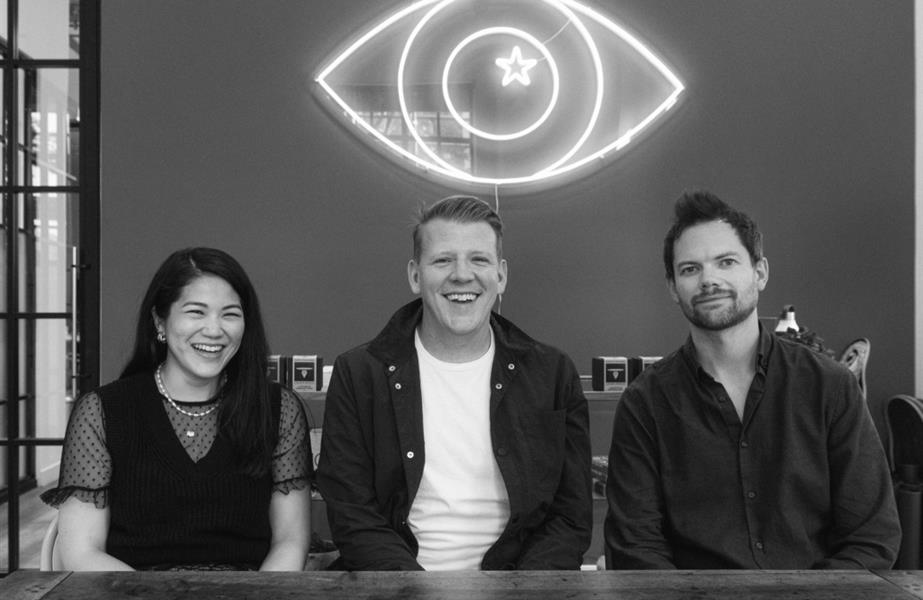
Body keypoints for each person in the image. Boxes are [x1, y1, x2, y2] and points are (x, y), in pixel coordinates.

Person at [604, 191, 900, 569]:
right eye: (690, 269)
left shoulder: (830, 387)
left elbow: (871, 538)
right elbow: (635, 549)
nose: (709, 279)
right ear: (672, 288)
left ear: (759, 273)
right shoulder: (645, 404)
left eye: (726, 262)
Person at [316, 195, 592, 571]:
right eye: (443, 260)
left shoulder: (553, 374)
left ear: (502, 275)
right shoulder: (360, 374)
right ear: (415, 275)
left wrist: (520, 594)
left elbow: (569, 518)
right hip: (394, 591)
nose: (462, 275)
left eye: (479, 259)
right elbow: (354, 518)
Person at [42, 247, 312, 571]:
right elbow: (81, 553)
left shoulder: (278, 409)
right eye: (196, 312)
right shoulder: (102, 412)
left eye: (230, 314)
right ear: (160, 320)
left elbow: (291, 542)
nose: (214, 330)